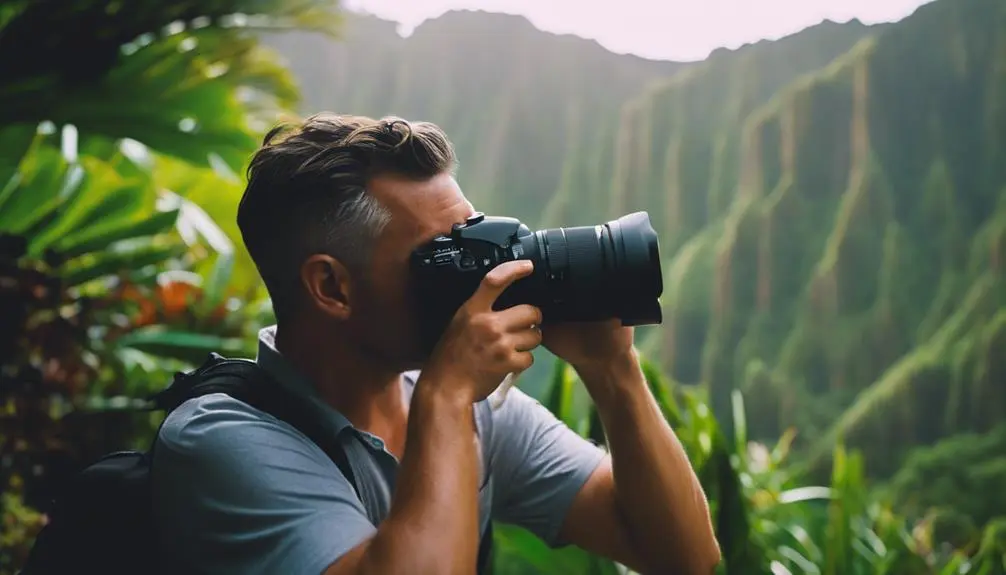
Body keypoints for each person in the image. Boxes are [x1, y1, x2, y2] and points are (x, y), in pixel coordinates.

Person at [151, 113, 721, 575]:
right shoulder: (221, 442)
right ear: (332, 287)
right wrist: (445, 399)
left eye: (474, 235)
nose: (479, 275)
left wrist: (613, 369)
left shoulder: (483, 417)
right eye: (445, 256)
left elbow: (682, 557)